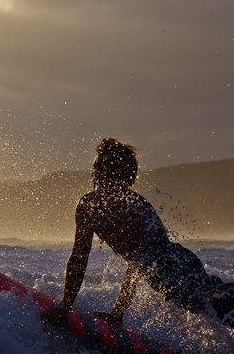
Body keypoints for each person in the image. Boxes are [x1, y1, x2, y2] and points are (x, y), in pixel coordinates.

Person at [44, 137, 234, 328]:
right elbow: (137, 262)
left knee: (201, 299)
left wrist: (66, 305)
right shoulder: (139, 203)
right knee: (217, 307)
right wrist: (118, 312)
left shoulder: (91, 204)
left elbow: (79, 256)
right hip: (181, 257)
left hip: (160, 266)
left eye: (96, 167)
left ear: (103, 172)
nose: (92, 173)